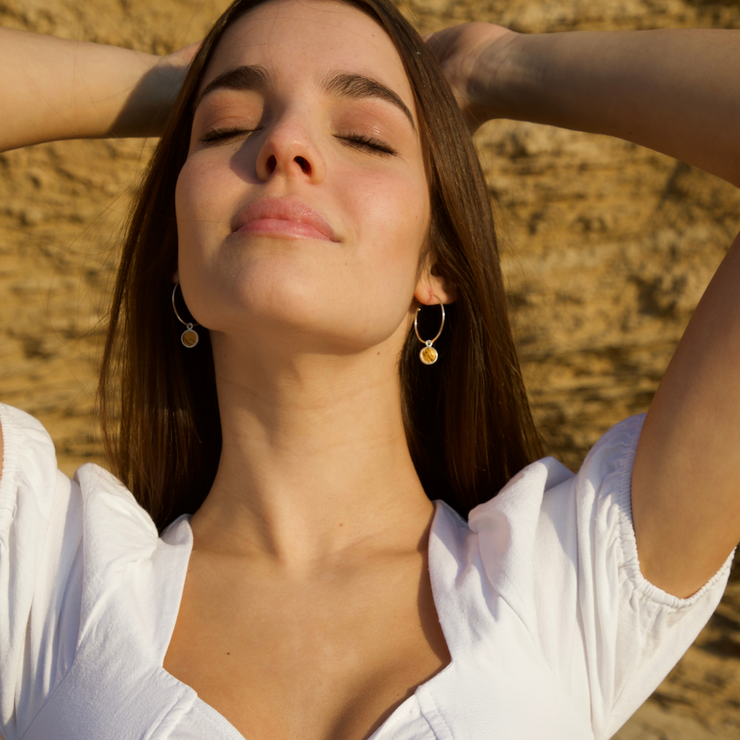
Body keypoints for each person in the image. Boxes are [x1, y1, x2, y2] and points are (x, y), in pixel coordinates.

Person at [0, 0, 738, 738]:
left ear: (437, 264)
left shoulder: (566, 583)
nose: (285, 143)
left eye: (365, 136)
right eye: (226, 127)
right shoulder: (46, 586)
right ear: (176, 256)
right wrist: (167, 85)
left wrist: (495, 67)